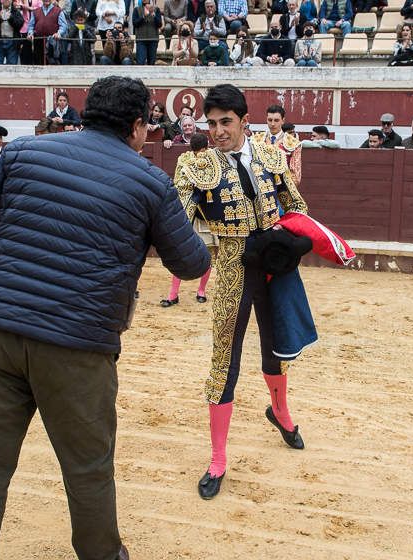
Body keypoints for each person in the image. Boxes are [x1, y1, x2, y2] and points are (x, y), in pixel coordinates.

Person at [0, 75, 210, 560]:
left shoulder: (25, 151)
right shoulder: (150, 181)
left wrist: (17, 259)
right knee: (87, 468)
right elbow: (191, 263)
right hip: (78, 342)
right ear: (137, 126)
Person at [172, 84, 310, 500]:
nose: (216, 131)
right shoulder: (196, 166)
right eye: (210, 124)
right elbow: (175, 221)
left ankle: (281, 414)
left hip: (273, 268)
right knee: (224, 360)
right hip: (233, 270)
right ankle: (217, 459)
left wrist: (289, 241)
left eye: (225, 122)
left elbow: (297, 206)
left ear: (244, 122)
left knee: (277, 347)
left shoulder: (271, 155)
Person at [161, 133, 216, 307]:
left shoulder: (187, 159)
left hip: (200, 213)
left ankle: (181, 293)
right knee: (196, 253)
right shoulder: (187, 160)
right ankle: (187, 292)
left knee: (189, 253)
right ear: (204, 148)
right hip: (195, 212)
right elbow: (181, 184)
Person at [252, 104, 302, 185]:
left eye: (276, 120)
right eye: (270, 120)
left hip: (282, 189)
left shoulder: (294, 143)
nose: (272, 124)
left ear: (283, 120)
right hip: (259, 187)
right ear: (266, 120)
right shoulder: (256, 140)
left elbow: (296, 175)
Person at [27, 0, 69, 64]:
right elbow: (31, 26)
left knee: (53, 64)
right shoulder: (35, 11)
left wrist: (59, 33)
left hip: (53, 41)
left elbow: (63, 25)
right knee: (39, 63)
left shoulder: (58, 11)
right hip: (38, 41)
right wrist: (30, 34)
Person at [0, 0, 24, 64]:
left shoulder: (16, 11)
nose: (6, 0)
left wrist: (11, 18)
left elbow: (20, 24)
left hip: (12, 42)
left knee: (12, 65)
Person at [133, 0, 162, 65]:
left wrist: (153, 15)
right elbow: (134, 23)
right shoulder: (136, 9)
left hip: (153, 39)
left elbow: (160, 24)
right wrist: (143, 16)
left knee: (151, 63)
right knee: (140, 62)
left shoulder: (156, 9)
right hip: (141, 40)